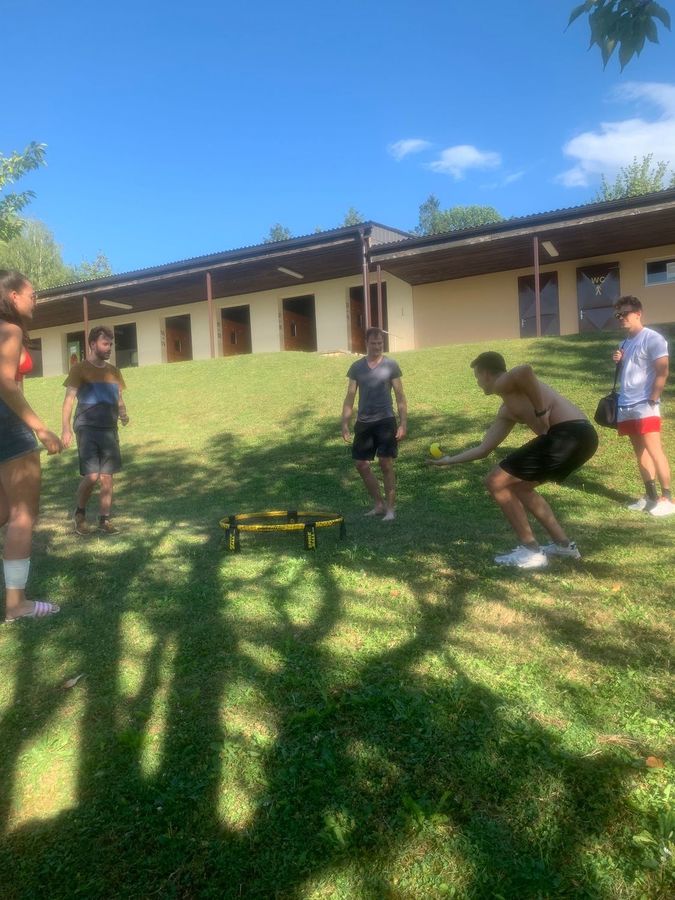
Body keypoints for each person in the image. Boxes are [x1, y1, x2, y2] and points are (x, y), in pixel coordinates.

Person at [426, 352, 598, 569]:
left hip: (567, 434)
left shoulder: (502, 382)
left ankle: (531, 551)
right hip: (585, 438)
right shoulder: (507, 408)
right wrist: (449, 461)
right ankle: (563, 545)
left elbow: (524, 370)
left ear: (486, 374)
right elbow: (484, 449)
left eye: (477, 377)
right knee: (522, 488)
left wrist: (541, 410)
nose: (478, 384)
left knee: (495, 481)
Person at [0, 269, 62, 622]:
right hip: (7, 424)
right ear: (13, 296)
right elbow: (5, 384)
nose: (35, 300)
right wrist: (40, 429)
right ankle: (16, 605)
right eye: (32, 294)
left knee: (3, 512)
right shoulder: (8, 330)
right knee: (23, 515)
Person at [61, 325, 129, 535]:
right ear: (92, 344)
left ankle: (104, 520)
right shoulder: (79, 369)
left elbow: (118, 397)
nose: (109, 348)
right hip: (87, 427)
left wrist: (123, 413)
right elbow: (69, 399)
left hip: (109, 428)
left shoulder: (114, 371)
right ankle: (80, 513)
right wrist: (65, 428)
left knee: (107, 476)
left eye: (111, 344)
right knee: (92, 475)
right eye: (105, 344)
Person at [612, 296, 674, 517]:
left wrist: (653, 399)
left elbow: (662, 371)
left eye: (625, 313)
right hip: (626, 403)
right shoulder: (624, 343)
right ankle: (651, 497)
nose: (621, 318)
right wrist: (619, 360)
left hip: (645, 404)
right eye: (618, 315)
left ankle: (668, 498)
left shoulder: (653, 339)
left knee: (655, 450)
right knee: (640, 453)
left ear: (638, 313)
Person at [341, 327, 407, 521]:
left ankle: (391, 509)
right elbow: (350, 397)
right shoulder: (356, 367)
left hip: (385, 421)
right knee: (361, 465)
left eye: (380, 343)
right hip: (364, 422)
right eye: (373, 343)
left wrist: (403, 423)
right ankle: (379, 505)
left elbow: (400, 396)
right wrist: (345, 423)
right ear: (366, 343)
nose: (377, 346)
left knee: (385, 463)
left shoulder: (391, 365)